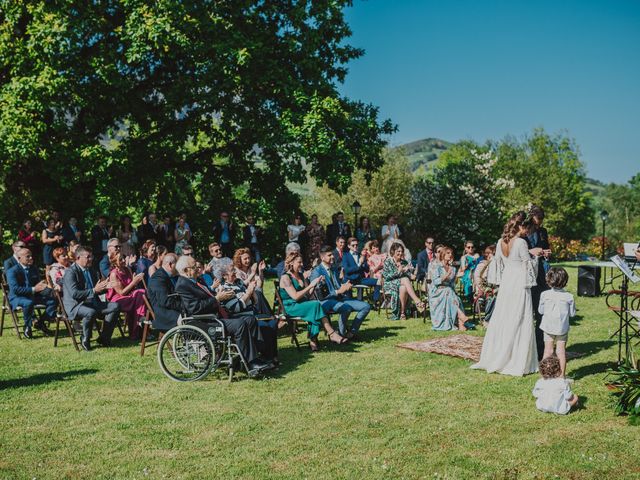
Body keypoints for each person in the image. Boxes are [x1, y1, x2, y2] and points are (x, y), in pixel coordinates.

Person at [174, 254, 272, 376]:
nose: (198, 269)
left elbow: (208, 296)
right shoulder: (183, 285)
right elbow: (194, 308)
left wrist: (219, 294)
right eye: (194, 267)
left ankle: (259, 355)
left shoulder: (195, 281)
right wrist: (217, 299)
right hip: (204, 322)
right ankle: (251, 363)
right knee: (239, 324)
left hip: (215, 316)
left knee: (250, 319)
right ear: (185, 270)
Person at [471, 212, 542, 376]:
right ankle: (516, 359)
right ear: (521, 226)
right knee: (519, 317)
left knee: (504, 316)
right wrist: (536, 256)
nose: (528, 232)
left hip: (507, 282)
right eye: (527, 228)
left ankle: (499, 354)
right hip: (519, 283)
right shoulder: (521, 243)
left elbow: (499, 264)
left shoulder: (500, 242)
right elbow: (528, 266)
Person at [279, 252, 346, 351]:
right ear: (291, 263)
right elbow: (295, 296)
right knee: (315, 305)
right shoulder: (285, 277)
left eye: (302, 262)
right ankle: (330, 334)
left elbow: (308, 294)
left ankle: (313, 341)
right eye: (299, 262)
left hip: (303, 304)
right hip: (291, 307)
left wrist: (316, 283)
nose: (302, 264)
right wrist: (310, 285)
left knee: (315, 307)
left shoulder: (301, 275)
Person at [61, 246, 121, 350]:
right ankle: (85, 338)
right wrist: (94, 290)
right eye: (88, 257)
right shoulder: (71, 272)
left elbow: (97, 289)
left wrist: (106, 287)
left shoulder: (91, 270)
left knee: (115, 306)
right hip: (76, 305)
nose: (91, 259)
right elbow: (74, 294)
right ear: (78, 258)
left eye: (91, 256)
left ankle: (104, 338)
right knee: (91, 312)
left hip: (92, 302)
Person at [217, 264, 279, 363]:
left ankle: (271, 356)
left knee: (272, 322)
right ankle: (267, 356)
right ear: (224, 275)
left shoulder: (238, 283)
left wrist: (252, 292)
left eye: (234, 270)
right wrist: (248, 293)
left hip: (251, 315)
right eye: (232, 270)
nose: (235, 272)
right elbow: (236, 308)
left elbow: (254, 302)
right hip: (239, 318)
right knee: (266, 327)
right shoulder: (225, 289)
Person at [309, 246, 371, 339]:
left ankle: (351, 333)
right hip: (325, 301)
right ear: (322, 258)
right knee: (346, 308)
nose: (332, 257)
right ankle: (341, 335)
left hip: (339, 299)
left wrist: (344, 285)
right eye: (329, 255)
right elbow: (320, 295)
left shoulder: (333, 269)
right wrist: (338, 291)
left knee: (366, 306)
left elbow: (337, 285)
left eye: (332, 254)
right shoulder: (316, 272)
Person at [6, 248, 57, 338]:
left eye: (31, 256)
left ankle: (40, 323)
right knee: (28, 303)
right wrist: (34, 289)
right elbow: (15, 290)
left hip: (33, 296)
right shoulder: (12, 271)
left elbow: (38, 285)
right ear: (19, 258)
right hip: (17, 297)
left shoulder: (34, 268)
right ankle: (27, 326)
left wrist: (44, 286)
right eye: (28, 256)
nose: (31, 258)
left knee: (53, 300)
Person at [539, 267, 575, 377]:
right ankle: (561, 376)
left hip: (548, 327)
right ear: (565, 281)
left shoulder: (544, 294)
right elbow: (572, 314)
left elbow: (540, 311)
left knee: (547, 351)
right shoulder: (569, 297)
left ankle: (545, 376)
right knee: (561, 352)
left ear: (549, 281)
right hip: (562, 329)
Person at [527, 205, 552, 360]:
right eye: (538, 220)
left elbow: (546, 247)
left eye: (541, 221)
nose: (540, 224)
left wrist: (547, 253)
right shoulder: (525, 231)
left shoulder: (543, 232)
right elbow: (521, 249)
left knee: (541, 311)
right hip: (529, 272)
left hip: (542, 272)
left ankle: (540, 347)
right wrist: (535, 252)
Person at [106, 252, 147, 339]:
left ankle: (139, 328)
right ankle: (140, 326)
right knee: (140, 295)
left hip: (129, 295)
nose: (124, 260)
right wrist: (133, 282)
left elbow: (132, 287)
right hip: (118, 299)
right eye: (120, 259)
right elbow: (121, 292)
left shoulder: (127, 269)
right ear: (114, 262)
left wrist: (136, 281)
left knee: (140, 293)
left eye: (123, 258)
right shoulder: (113, 274)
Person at [428, 246, 470, 331]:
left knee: (453, 295)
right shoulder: (437, 267)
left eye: (451, 253)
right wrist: (447, 275)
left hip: (448, 292)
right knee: (448, 291)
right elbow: (436, 282)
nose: (450, 255)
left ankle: (460, 322)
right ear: (443, 255)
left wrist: (456, 277)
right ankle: (460, 317)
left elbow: (452, 284)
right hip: (437, 291)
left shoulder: (453, 269)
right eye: (448, 253)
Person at [382, 243, 425, 320]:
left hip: (402, 284)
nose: (400, 253)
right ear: (393, 251)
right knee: (404, 279)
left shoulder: (404, 262)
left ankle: (402, 313)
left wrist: (411, 273)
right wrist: (398, 271)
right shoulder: (388, 261)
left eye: (401, 251)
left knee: (403, 288)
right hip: (389, 284)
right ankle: (417, 301)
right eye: (398, 251)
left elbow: (408, 275)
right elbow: (386, 277)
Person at [147, 253, 182, 332]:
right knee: (190, 318)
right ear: (170, 265)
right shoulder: (158, 278)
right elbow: (165, 301)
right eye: (177, 265)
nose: (179, 268)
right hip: (164, 314)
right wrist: (184, 306)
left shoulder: (169, 276)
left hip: (171, 309)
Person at [342, 237, 380, 301]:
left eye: (356, 245)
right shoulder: (345, 255)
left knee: (378, 281)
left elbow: (367, 270)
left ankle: (375, 301)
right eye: (353, 245)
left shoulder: (361, 255)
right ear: (348, 246)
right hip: (350, 279)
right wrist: (359, 264)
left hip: (360, 279)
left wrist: (364, 263)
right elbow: (347, 270)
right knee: (348, 301)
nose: (355, 246)